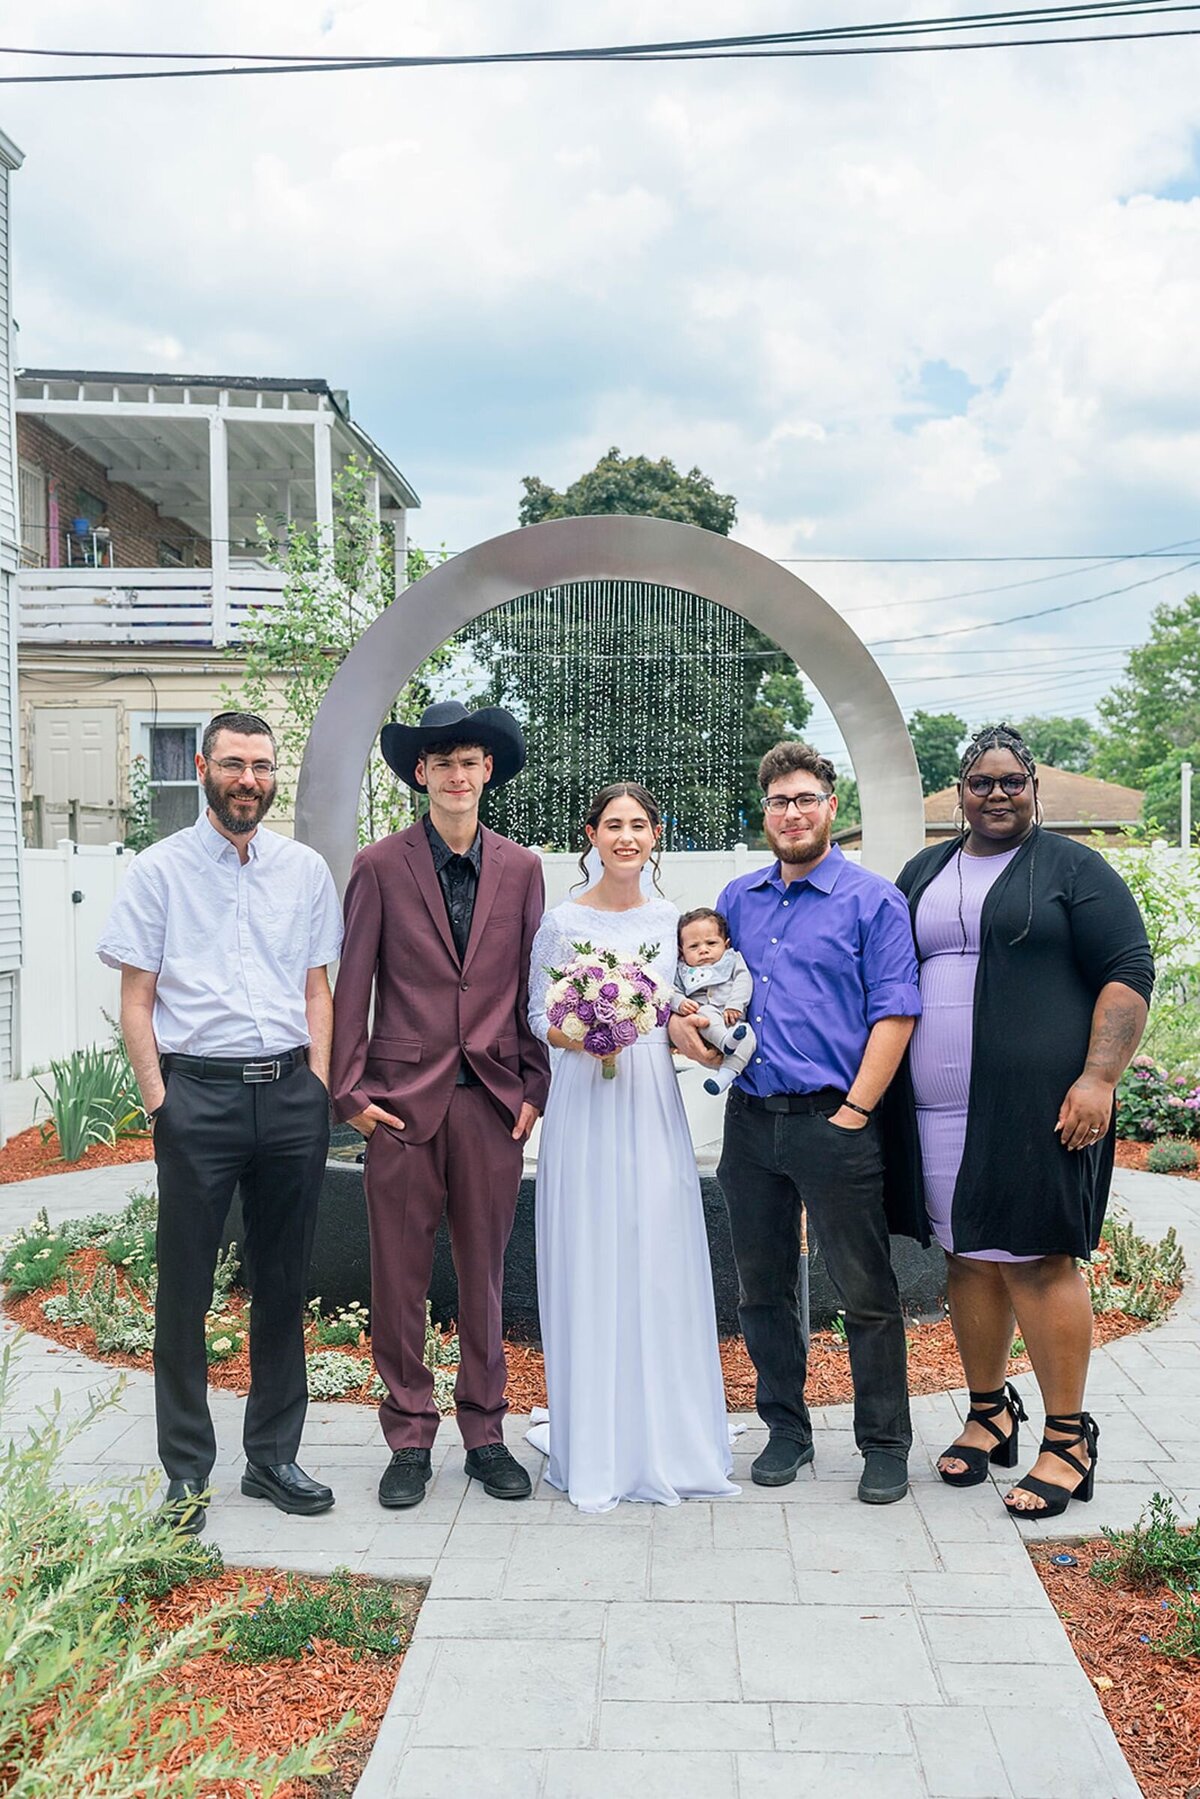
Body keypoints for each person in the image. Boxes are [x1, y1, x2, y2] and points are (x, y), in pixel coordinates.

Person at [884, 723, 1153, 1517]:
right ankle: (990, 1411)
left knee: (1037, 1258)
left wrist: (1099, 1077)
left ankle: (1069, 1438)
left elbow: (1127, 970)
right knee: (967, 1255)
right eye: (980, 781)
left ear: (1034, 787)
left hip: (1040, 1109)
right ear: (959, 791)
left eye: (1011, 780)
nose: (996, 793)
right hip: (936, 1111)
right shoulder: (924, 869)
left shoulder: (1074, 868)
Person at [97, 711, 343, 1534]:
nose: (249, 778)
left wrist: (314, 1084)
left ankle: (273, 1457)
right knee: (185, 1289)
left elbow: (317, 987)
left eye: (262, 765)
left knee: (282, 1283)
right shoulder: (159, 870)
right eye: (234, 763)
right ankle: (186, 1473)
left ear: (276, 773)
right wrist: (157, 1097)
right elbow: (137, 996)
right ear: (203, 767)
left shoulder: (304, 870)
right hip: (194, 1095)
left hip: (288, 1097)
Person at [331, 701, 551, 1510]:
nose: (458, 775)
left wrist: (535, 1086)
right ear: (418, 772)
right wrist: (349, 1094)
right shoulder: (380, 865)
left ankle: (485, 1435)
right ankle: (409, 1434)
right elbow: (354, 980)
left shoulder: (522, 869)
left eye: (471, 761)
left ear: (488, 771)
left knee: (486, 1276)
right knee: (397, 1278)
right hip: (397, 1105)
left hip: (492, 1102)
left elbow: (532, 988)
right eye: (442, 762)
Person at [715, 741, 922, 1505]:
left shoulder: (873, 900)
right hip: (751, 1120)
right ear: (764, 810)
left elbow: (896, 1012)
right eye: (779, 801)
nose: (792, 812)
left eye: (805, 798)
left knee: (864, 1289)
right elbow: (715, 993)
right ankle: (787, 1430)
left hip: (835, 1120)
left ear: (831, 807)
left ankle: (884, 1443)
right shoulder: (739, 899)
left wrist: (855, 1111)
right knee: (761, 1289)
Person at [527, 783, 739, 1512]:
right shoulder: (561, 920)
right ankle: (597, 1438)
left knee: (656, 1250)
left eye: (639, 825)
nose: (626, 836)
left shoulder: (669, 922)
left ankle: (669, 1436)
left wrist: (690, 1029)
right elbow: (535, 1014)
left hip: (649, 1093)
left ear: (656, 835)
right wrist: (588, 1030)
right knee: (593, 1249)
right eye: (612, 825)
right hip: (586, 1092)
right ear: (590, 833)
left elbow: (684, 1003)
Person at [670, 907, 757, 1097]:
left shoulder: (732, 959)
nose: (703, 950)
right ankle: (725, 1041)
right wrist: (680, 1003)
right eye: (694, 946)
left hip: (733, 1020)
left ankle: (724, 1076)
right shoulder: (681, 969)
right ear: (681, 952)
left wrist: (735, 1004)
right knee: (706, 1013)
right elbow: (670, 992)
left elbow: (744, 980)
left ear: (725, 944)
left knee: (749, 1036)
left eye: (711, 943)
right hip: (705, 1024)